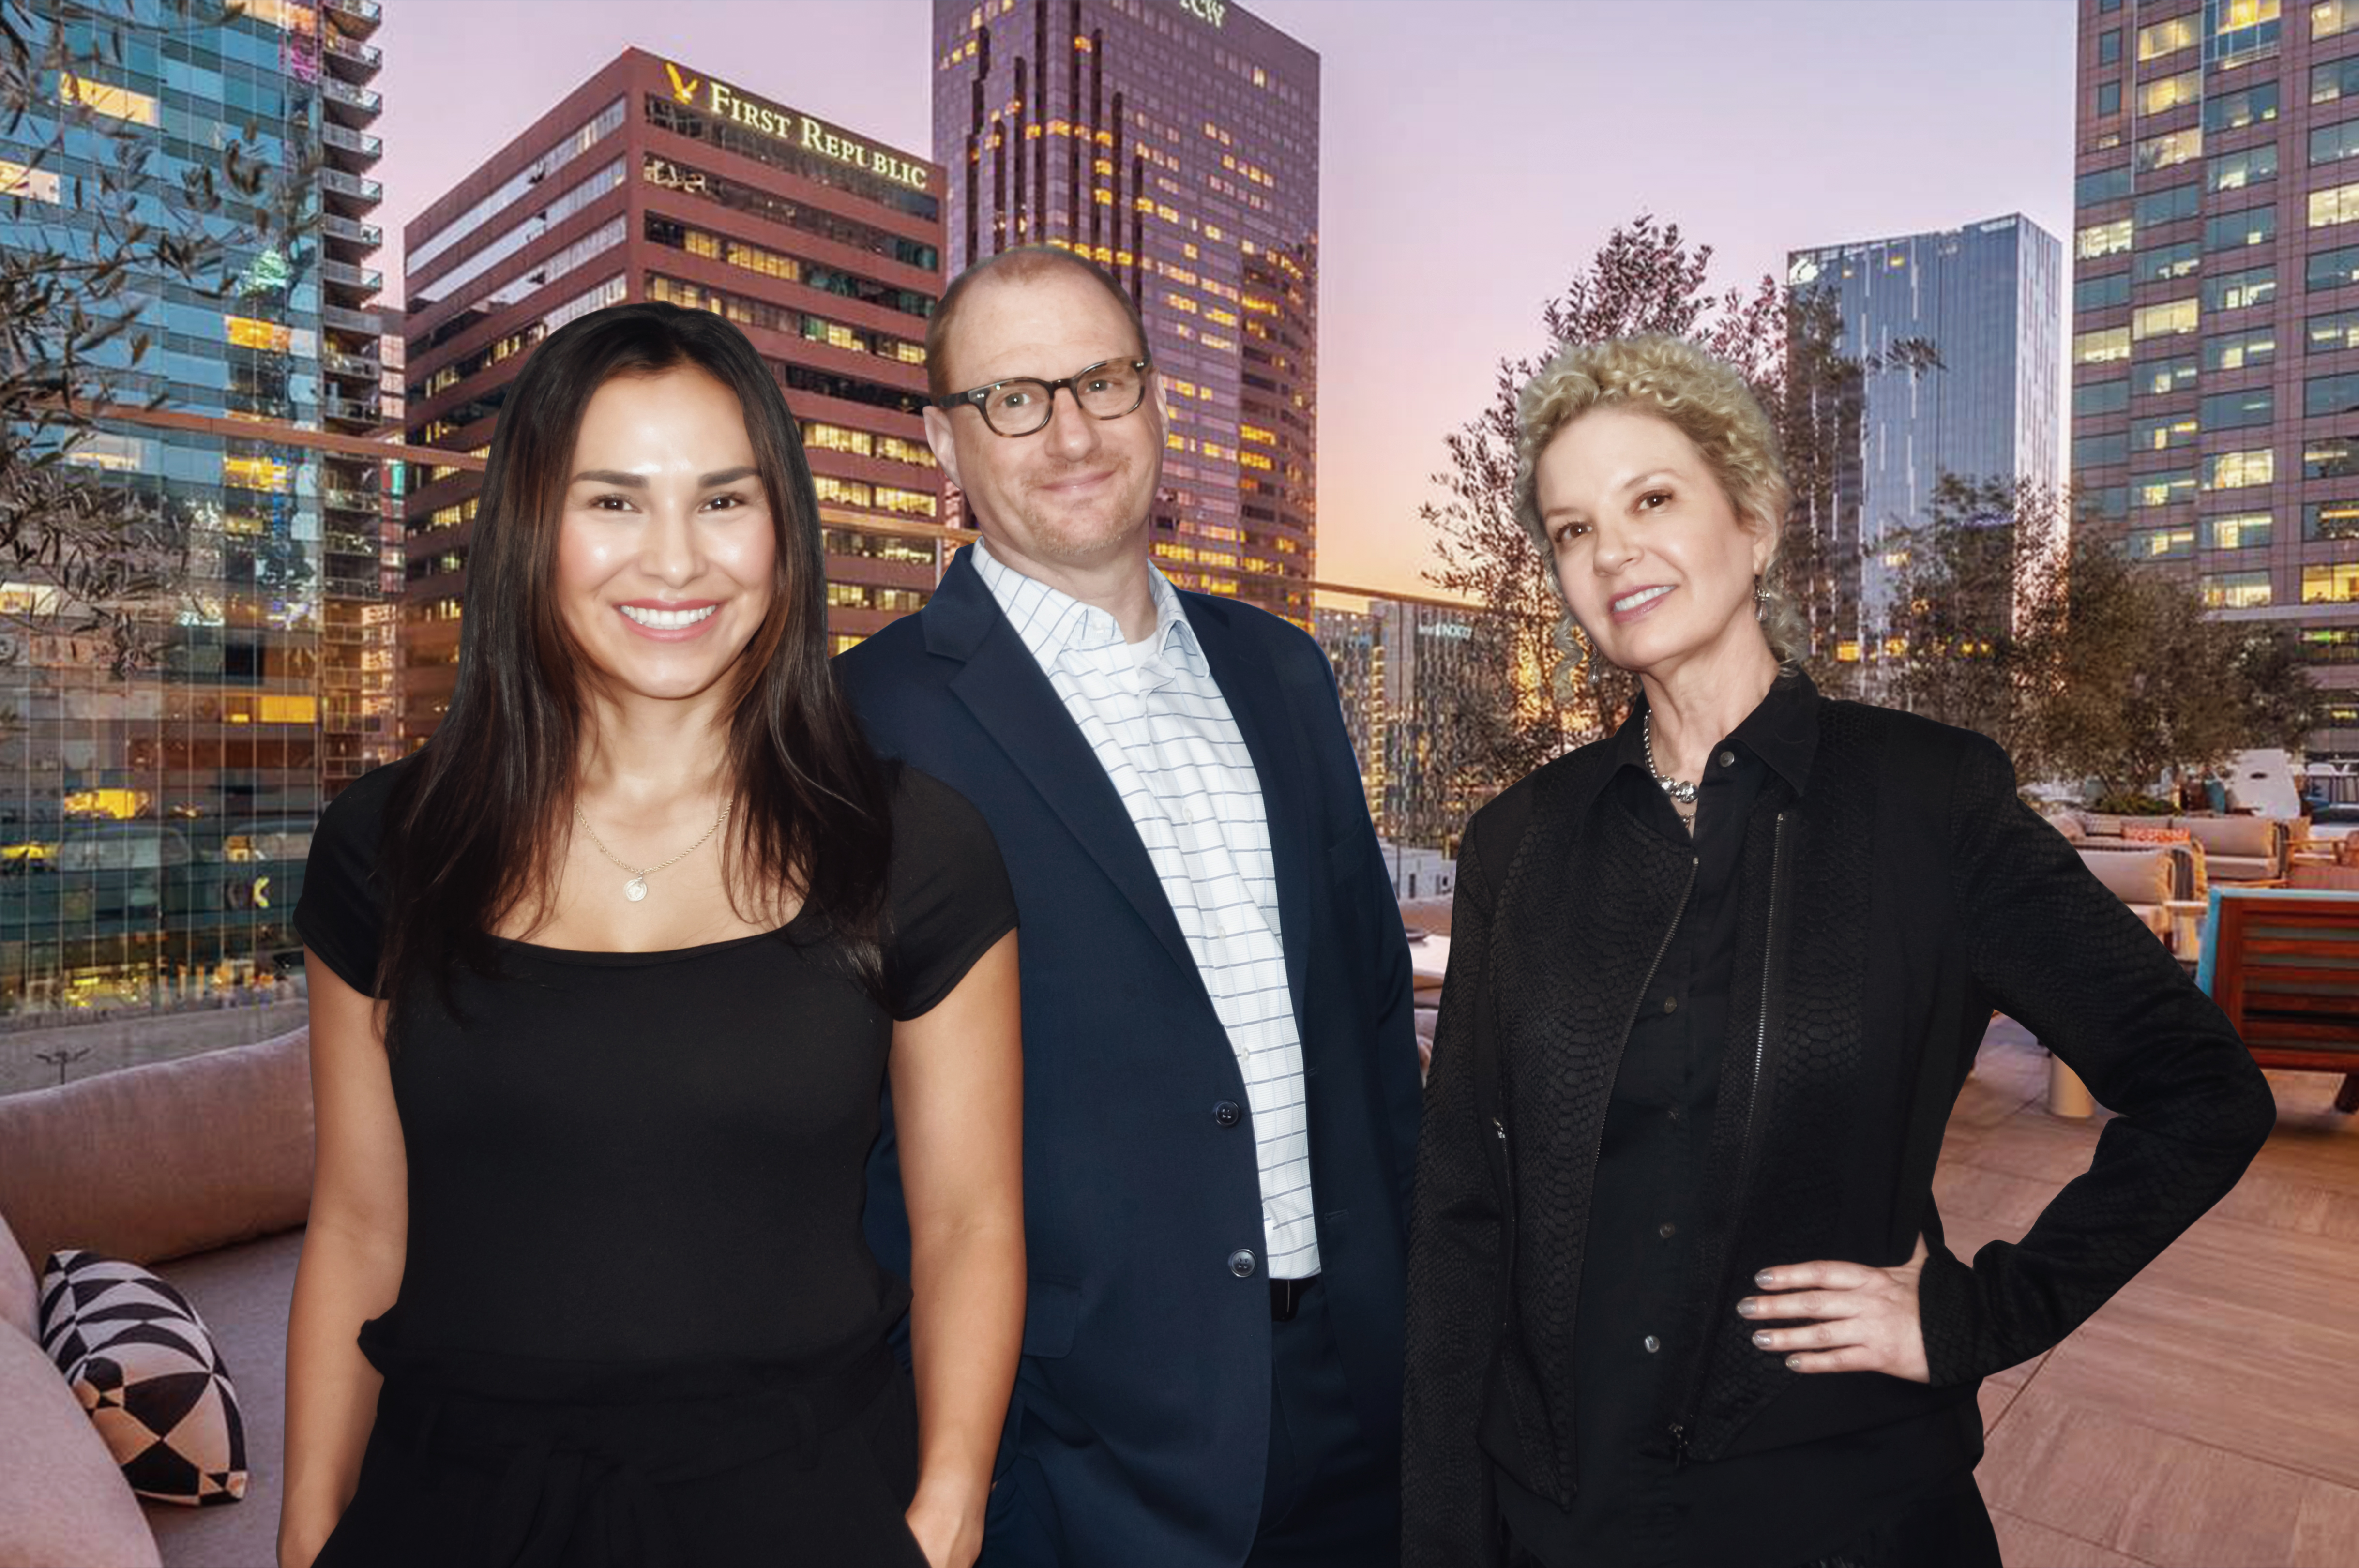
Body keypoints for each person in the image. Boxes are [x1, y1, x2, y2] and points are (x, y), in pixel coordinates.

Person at [1400, 334, 2277, 1567]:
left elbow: (2202, 1093)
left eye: (1651, 499)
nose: (1611, 552)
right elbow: (1462, 1216)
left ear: (1753, 522)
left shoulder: (1931, 803)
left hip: (1842, 1510)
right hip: (1563, 1510)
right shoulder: (1520, 844)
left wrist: (1981, 1314)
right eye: (1570, 528)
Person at [278, 302, 1024, 1568]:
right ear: (531, 530)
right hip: (446, 1515)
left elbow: (969, 1224)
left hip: (805, 1515)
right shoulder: (385, 846)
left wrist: (944, 1524)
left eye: (724, 501)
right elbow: (357, 1223)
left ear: (784, 531)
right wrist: (306, 1536)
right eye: (614, 502)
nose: (675, 561)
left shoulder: (911, 848)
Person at [836, 246, 1421, 1568]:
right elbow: (838, 1139)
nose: (1075, 431)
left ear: (1156, 398)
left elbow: (1374, 1035)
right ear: (942, 437)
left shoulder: (1283, 674)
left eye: (1103, 381)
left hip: (1357, 1415)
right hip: (1064, 1450)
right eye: (1016, 398)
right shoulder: (862, 723)